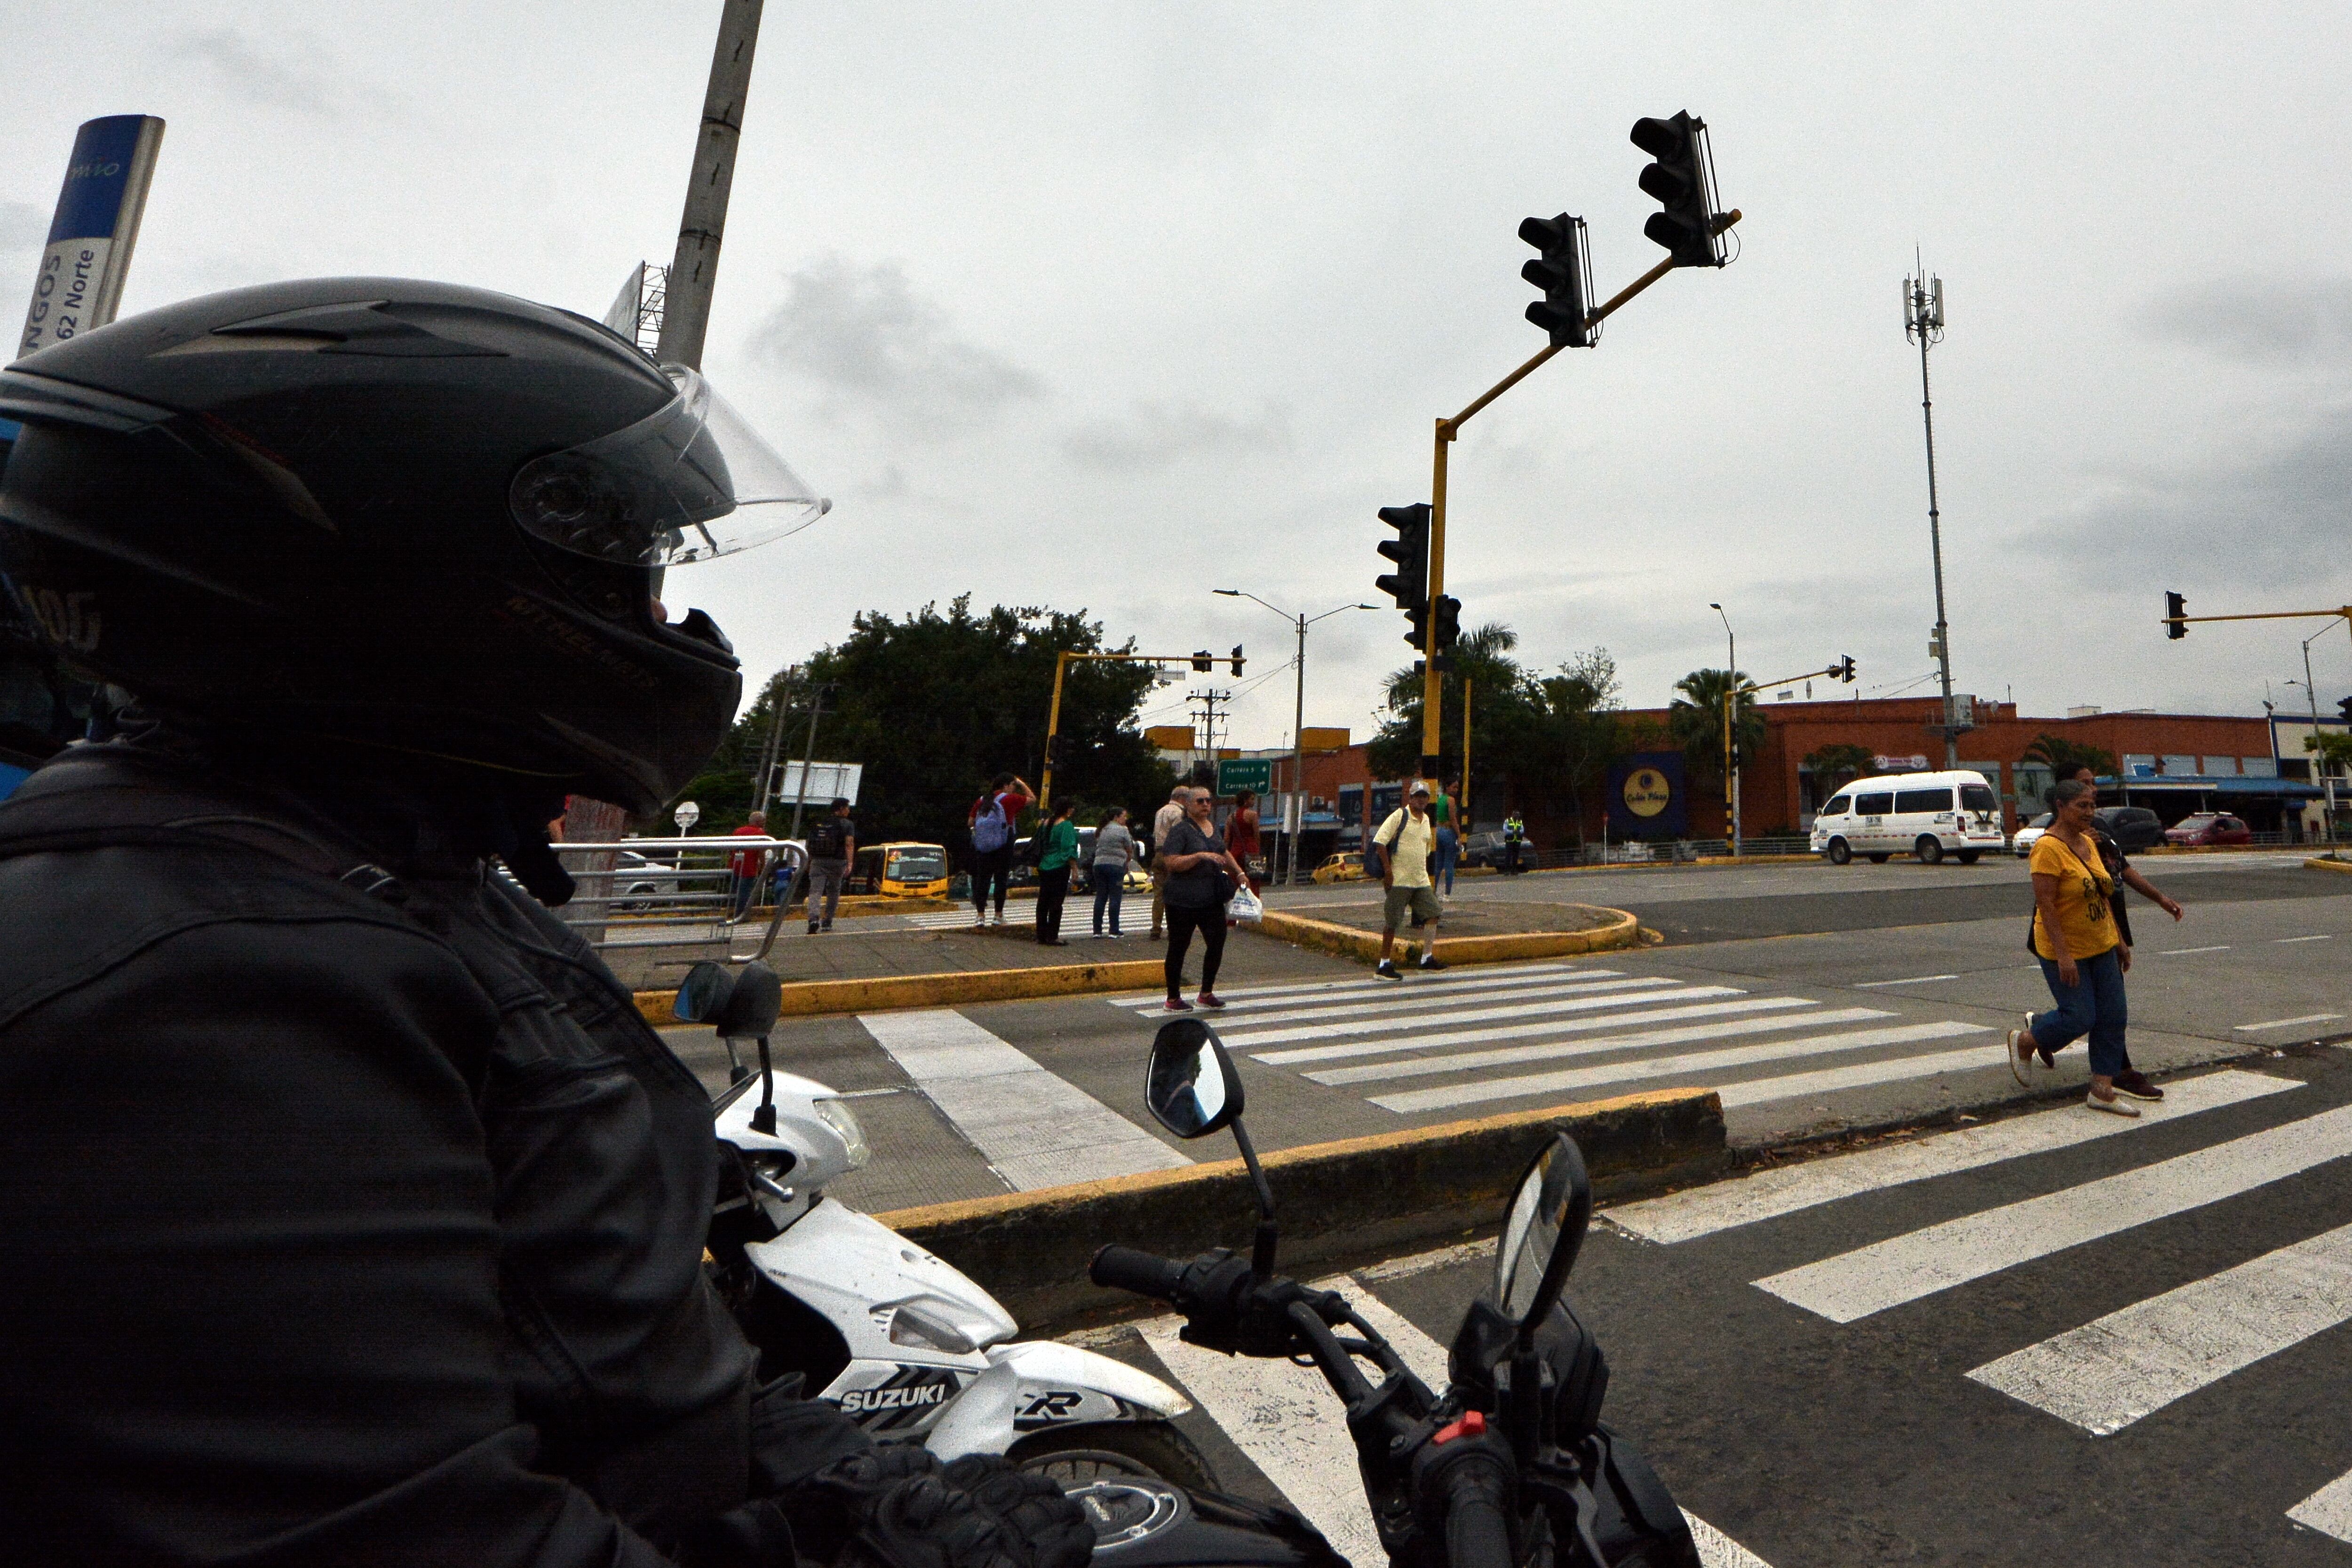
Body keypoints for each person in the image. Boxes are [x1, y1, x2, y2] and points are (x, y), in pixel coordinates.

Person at [0, 279, 1092, 1567]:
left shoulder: (393, 869)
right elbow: (404, 1531)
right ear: (416, 580)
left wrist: (851, 1484)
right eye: (626, 575)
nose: (664, 623)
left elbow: (611, 1350)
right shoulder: (203, 989)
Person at [2008, 778, 2174, 1116]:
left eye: (2092, 805)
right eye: (2081, 806)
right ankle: (2026, 1041)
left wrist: (2119, 941)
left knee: (2113, 1016)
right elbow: (2046, 905)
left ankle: (2102, 1089)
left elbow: (2102, 893)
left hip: (2101, 944)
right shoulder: (2047, 848)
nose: (2089, 812)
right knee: (2080, 1016)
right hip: (2065, 949)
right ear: (2061, 807)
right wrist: (2064, 956)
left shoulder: (2088, 842)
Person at [1159, 787, 1248, 1011]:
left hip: (1211, 898)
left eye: (1209, 801)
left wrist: (1239, 872)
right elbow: (1171, 863)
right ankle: (1173, 998)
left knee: (1217, 942)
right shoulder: (1181, 830)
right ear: (1189, 805)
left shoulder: (1212, 827)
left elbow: (1223, 851)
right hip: (1182, 900)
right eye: (1200, 801)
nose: (1206, 804)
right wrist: (1198, 856)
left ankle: (1206, 993)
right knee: (1179, 947)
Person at [1373, 782, 1444, 978]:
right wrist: (1388, 872)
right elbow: (1380, 842)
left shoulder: (1427, 820)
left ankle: (1426, 958)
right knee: (1393, 922)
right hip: (1399, 880)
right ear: (1410, 798)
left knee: (1433, 913)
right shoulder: (1400, 816)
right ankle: (1384, 964)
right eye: (1417, 796)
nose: (1421, 800)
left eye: (1424, 796)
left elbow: (1426, 850)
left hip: (1420, 881)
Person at [968, 770, 1032, 927]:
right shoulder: (1010, 799)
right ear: (1006, 786)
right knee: (1001, 879)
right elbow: (1032, 799)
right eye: (1013, 785)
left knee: (983, 879)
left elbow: (970, 822)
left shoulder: (982, 800)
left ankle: (980, 916)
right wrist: (1021, 783)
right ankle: (998, 916)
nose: (1014, 788)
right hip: (1004, 843)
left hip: (984, 846)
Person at [1146, 783, 1191, 941]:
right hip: (1172, 855)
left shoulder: (1160, 811)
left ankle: (1156, 929)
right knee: (1175, 894)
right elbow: (1179, 836)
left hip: (1158, 854)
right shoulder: (1179, 813)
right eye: (1188, 799)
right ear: (1181, 798)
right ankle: (1173, 929)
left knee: (1159, 895)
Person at [803, 797, 854, 934]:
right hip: (838, 861)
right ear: (841, 809)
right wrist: (850, 863)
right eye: (848, 808)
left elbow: (809, 844)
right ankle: (827, 921)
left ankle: (813, 919)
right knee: (834, 891)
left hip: (818, 860)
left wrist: (809, 861)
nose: (849, 811)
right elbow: (849, 844)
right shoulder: (847, 824)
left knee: (815, 891)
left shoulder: (819, 823)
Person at [1033, 797, 1079, 945]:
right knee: (1056, 902)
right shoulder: (1066, 825)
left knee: (1043, 901)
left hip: (1045, 865)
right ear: (1068, 809)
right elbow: (1068, 848)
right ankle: (1053, 936)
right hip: (1059, 866)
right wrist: (1075, 869)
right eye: (1072, 808)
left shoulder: (1045, 823)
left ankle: (1041, 935)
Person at [1091, 806, 1138, 937]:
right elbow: (1129, 848)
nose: (1126, 819)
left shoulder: (1102, 829)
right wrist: (1127, 861)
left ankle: (1097, 931)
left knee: (1101, 897)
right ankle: (1114, 930)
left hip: (1099, 865)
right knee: (1115, 897)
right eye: (1124, 816)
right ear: (1117, 817)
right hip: (1116, 866)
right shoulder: (1123, 830)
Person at [728, 808, 770, 919]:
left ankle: (731, 911)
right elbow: (761, 852)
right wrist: (763, 865)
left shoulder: (738, 831)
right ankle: (741, 915)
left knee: (734, 890)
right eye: (763, 821)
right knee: (745, 892)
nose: (764, 823)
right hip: (749, 867)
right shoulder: (760, 834)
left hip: (735, 865)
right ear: (758, 822)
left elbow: (731, 848)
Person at [1226, 788, 1264, 893]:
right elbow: (1257, 834)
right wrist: (1258, 849)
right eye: (1252, 799)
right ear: (1245, 801)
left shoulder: (1230, 817)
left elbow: (1226, 838)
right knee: (1253, 879)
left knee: (1236, 879)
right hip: (1251, 849)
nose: (1254, 802)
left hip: (1235, 851)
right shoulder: (1253, 815)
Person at [1430, 777, 1460, 896]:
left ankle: (1433, 891)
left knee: (1438, 864)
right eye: (1454, 787)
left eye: (1457, 788)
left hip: (1438, 831)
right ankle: (1447, 894)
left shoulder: (1440, 799)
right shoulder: (1451, 800)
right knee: (1449, 864)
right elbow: (1453, 819)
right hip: (1448, 832)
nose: (1456, 790)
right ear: (1447, 787)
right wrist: (1459, 835)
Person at [1502, 811, 1527, 875]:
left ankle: (1514, 870)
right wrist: (1513, 832)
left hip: (1517, 841)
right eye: (1516, 815)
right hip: (1510, 841)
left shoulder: (1520, 822)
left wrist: (1519, 832)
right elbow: (1505, 830)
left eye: (1518, 815)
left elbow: (1522, 830)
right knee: (1508, 856)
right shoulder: (1508, 821)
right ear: (1513, 815)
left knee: (1516, 856)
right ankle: (1507, 870)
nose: (1517, 816)